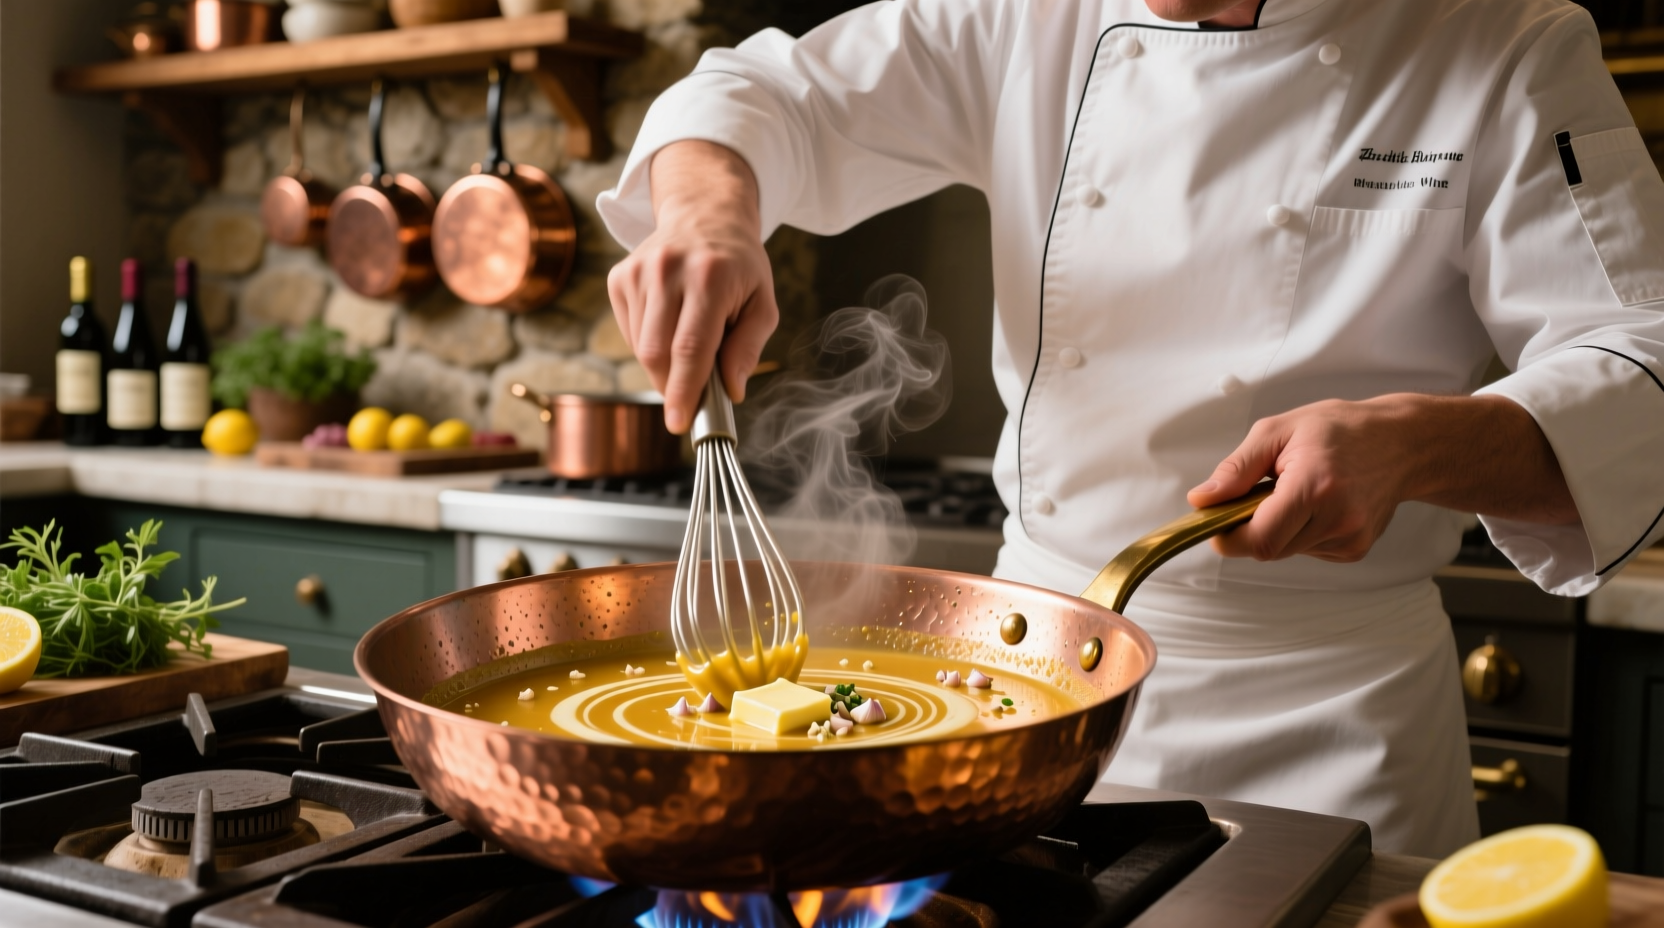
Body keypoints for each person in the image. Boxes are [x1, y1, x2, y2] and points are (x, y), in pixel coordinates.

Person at [596, 0, 1664, 856]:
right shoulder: (1024, 20)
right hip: (1031, 689)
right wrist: (706, 213)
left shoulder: (1501, 42)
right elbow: (758, 89)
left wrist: (1415, 441)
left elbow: (1643, 364)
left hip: (1332, 715)